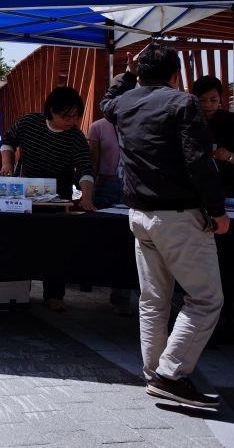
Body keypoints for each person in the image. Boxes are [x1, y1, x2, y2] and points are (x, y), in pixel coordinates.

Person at [101, 45, 226, 409]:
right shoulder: (182, 103)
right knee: (205, 299)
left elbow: (107, 100)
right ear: (175, 75)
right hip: (178, 216)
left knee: (153, 300)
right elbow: (198, 162)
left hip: (138, 215)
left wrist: (125, 72)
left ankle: (154, 372)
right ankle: (170, 374)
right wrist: (217, 210)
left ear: (140, 74)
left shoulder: (123, 105)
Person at [0, 86, 96, 311]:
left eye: (75, 116)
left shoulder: (75, 136)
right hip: (23, 195)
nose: (72, 121)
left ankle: (54, 295)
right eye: (66, 116)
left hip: (58, 199)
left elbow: (85, 169)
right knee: (19, 244)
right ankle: (14, 290)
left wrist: (86, 196)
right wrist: (7, 163)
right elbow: (8, 140)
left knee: (55, 247)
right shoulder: (29, 122)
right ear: (51, 111)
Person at [191, 75, 234, 342]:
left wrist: (229, 156)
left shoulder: (231, 122)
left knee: (229, 251)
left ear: (221, 99)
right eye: (202, 101)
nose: (208, 105)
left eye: (213, 100)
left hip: (229, 195)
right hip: (196, 197)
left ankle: (228, 303)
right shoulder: (188, 121)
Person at [88, 110, 135, 315]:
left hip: (131, 186)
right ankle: (90, 280)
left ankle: (121, 297)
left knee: (128, 242)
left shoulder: (137, 122)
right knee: (102, 238)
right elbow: (93, 162)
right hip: (105, 184)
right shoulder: (98, 127)